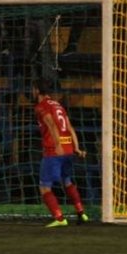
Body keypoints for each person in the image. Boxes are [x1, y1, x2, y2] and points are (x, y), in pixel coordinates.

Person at [33, 79, 88, 227]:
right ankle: (81, 213)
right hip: (69, 149)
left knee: (44, 187)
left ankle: (59, 218)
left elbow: (50, 124)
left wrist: (57, 145)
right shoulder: (58, 105)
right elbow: (69, 126)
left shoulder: (40, 107)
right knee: (67, 181)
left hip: (54, 150)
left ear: (37, 90)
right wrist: (76, 147)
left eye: (33, 89)